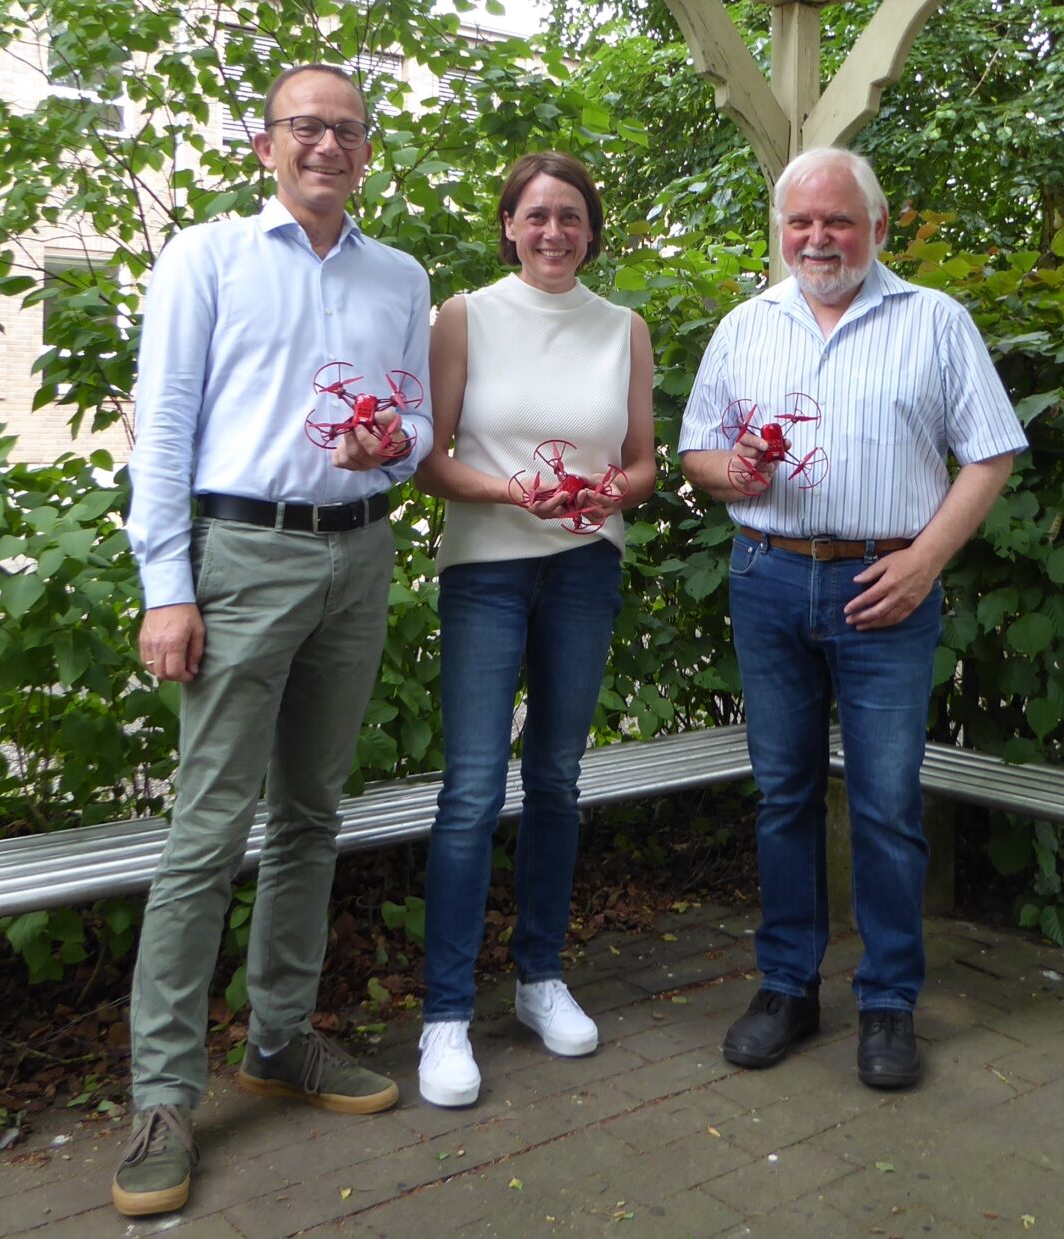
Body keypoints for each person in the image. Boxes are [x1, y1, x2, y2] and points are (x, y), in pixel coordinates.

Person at [114, 64, 432, 1215]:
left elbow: (417, 428)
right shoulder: (206, 258)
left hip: (360, 553)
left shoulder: (400, 275)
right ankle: (162, 1096)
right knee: (206, 828)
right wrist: (167, 586)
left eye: (345, 130)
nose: (326, 146)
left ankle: (280, 1039)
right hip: (240, 558)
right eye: (306, 127)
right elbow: (164, 431)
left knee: (310, 814)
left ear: (365, 147)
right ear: (266, 144)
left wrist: (388, 449)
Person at [678, 147, 1026, 1090]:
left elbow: (989, 455)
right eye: (801, 222)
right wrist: (731, 471)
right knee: (783, 794)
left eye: (838, 220)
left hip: (888, 586)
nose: (819, 237)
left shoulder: (935, 321)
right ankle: (788, 986)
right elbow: (697, 455)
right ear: (781, 230)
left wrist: (924, 561)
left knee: (884, 806)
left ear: (877, 225)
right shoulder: (746, 326)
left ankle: (888, 1001)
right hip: (769, 577)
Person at [412, 151, 655, 1108]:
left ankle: (539, 978)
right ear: (508, 224)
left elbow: (642, 463)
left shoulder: (623, 329)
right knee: (473, 788)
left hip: (586, 565)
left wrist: (605, 495)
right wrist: (515, 490)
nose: (555, 231)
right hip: (486, 570)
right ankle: (444, 1015)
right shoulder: (465, 315)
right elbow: (429, 460)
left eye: (573, 216)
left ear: (592, 229)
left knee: (555, 775)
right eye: (537, 215)